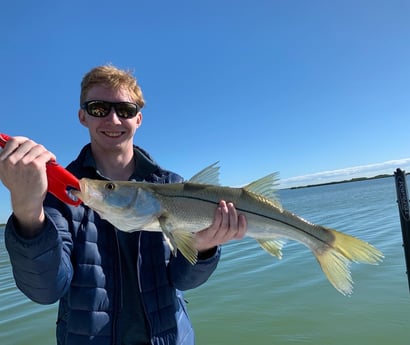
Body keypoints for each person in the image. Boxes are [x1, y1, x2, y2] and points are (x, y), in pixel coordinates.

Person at [0, 65, 247, 345]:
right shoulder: (63, 194)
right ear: (83, 116)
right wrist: (27, 209)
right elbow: (45, 291)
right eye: (98, 108)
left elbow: (184, 281)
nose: (113, 119)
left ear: (138, 119)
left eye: (126, 110)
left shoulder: (173, 185)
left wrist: (203, 249)